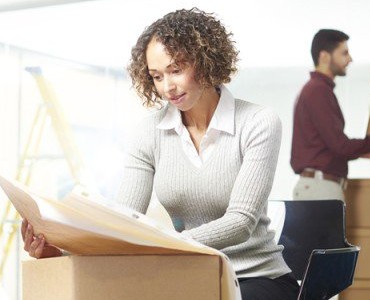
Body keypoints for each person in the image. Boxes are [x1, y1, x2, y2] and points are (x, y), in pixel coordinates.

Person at [22, 8, 298, 299]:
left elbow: (241, 222)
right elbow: (122, 222)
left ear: (205, 63)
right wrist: (61, 250)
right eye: (156, 76)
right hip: (186, 273)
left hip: (256, 275)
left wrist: (165, 246)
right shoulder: (148, 132)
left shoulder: (257, 122)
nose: (167, 87)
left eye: (176, 70)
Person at [291, 29, 370, 201]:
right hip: (320, 188)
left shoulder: (317, 90)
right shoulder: (318, 91)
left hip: (320, 186)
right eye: (344, 53)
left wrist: (359, 151)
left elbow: (331, 146)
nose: (350, 59)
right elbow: (340, 146)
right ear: (325, 56)